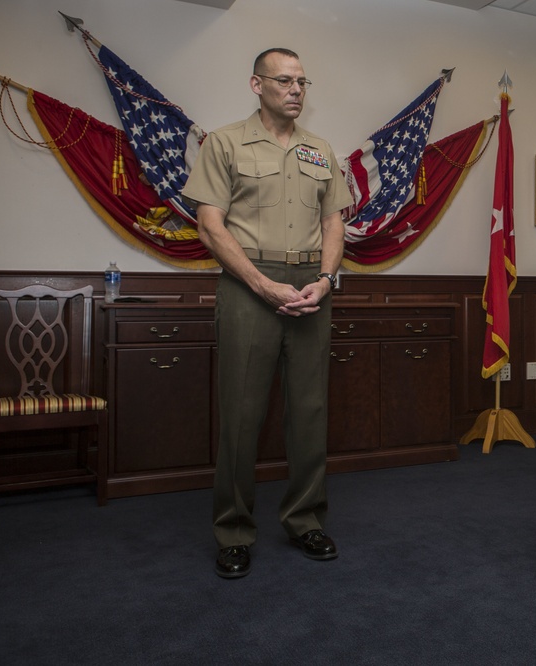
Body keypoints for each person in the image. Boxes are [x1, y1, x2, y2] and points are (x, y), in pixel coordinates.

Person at [182, 48, 353, 579]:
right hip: (248, 283)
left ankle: (305, 519)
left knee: (309, 412)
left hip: (310, 288)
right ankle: (233, 530)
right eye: (285, 81)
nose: (297, 90)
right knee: (241, 414)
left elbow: (333, 224)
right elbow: (211, 226)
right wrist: (261, 284)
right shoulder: (225, 143)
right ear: (257, 85)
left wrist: (324, 281)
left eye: (303, 81)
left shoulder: (320, 150)